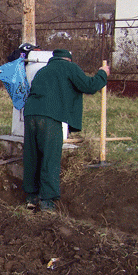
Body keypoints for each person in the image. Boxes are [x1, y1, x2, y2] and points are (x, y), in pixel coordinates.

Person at [23, 49, 110, 212]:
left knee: (32, 156)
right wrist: (102, 73)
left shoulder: (43, 71)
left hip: (30, 114)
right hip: (50, 117)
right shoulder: (69, 67)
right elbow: (89, 86)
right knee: (50, 157)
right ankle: (47, 201)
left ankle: (31, 197)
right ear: (68, 59)